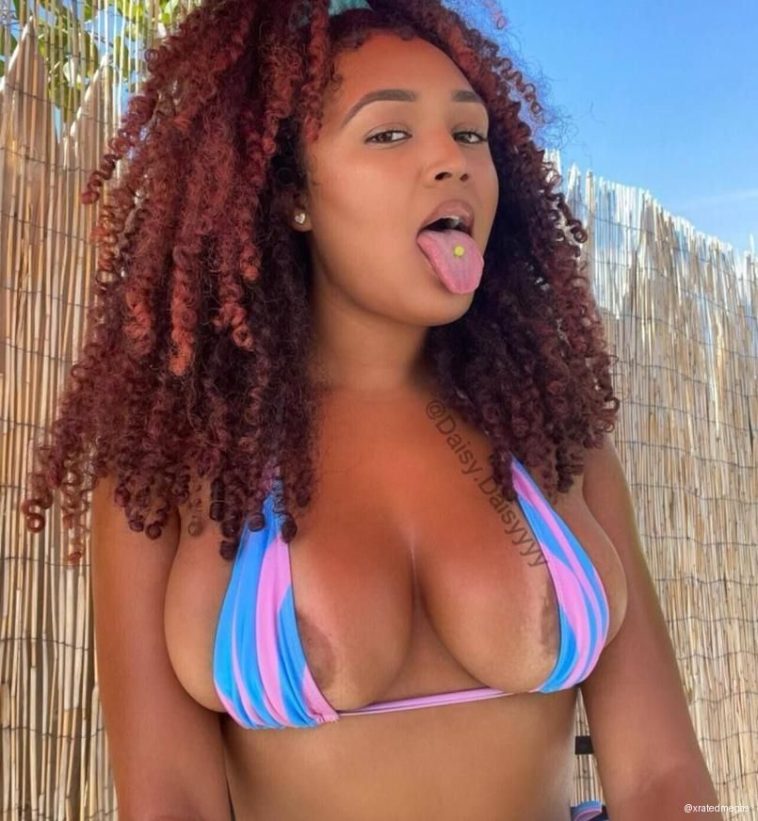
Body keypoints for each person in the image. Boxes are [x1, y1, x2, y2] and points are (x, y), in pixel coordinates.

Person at [20, 0, 723, 818]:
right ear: (293, 194)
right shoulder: (173, 465)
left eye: (470, 134)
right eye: (389, 133)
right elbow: (170, 803)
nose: (450, 160)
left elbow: (664, 778)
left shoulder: (554, 437)